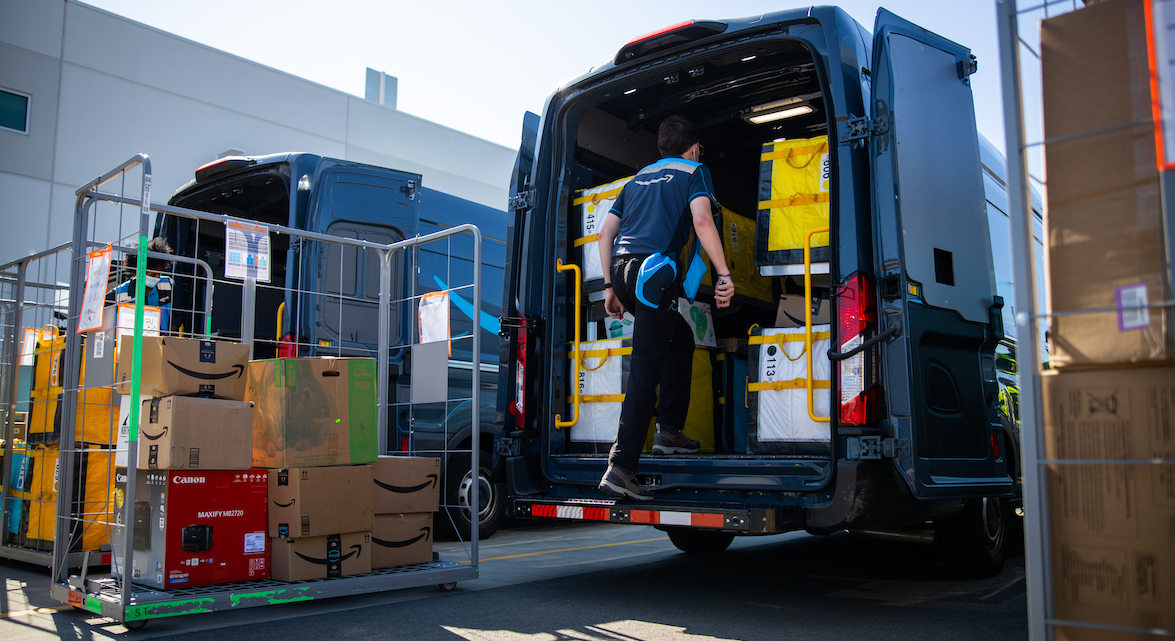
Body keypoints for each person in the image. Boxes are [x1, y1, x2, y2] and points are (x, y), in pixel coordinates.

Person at [596, 115, 735, 501]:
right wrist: (724, 274)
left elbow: (606, 232)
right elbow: (703, 220)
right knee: (645, 368)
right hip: (654, 274)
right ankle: (622, 467)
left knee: (680, 340)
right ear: (694, 147)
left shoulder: (637, 178)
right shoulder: (695, 171)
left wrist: (610, 286)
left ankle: (669, 432)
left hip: (625, 271)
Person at [109, 237, 174, 333]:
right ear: (137, 271)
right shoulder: (117, 294)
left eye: (159, 273)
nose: (156, 277)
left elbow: (176, 318)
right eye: (152, 274)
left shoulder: (168, 285)